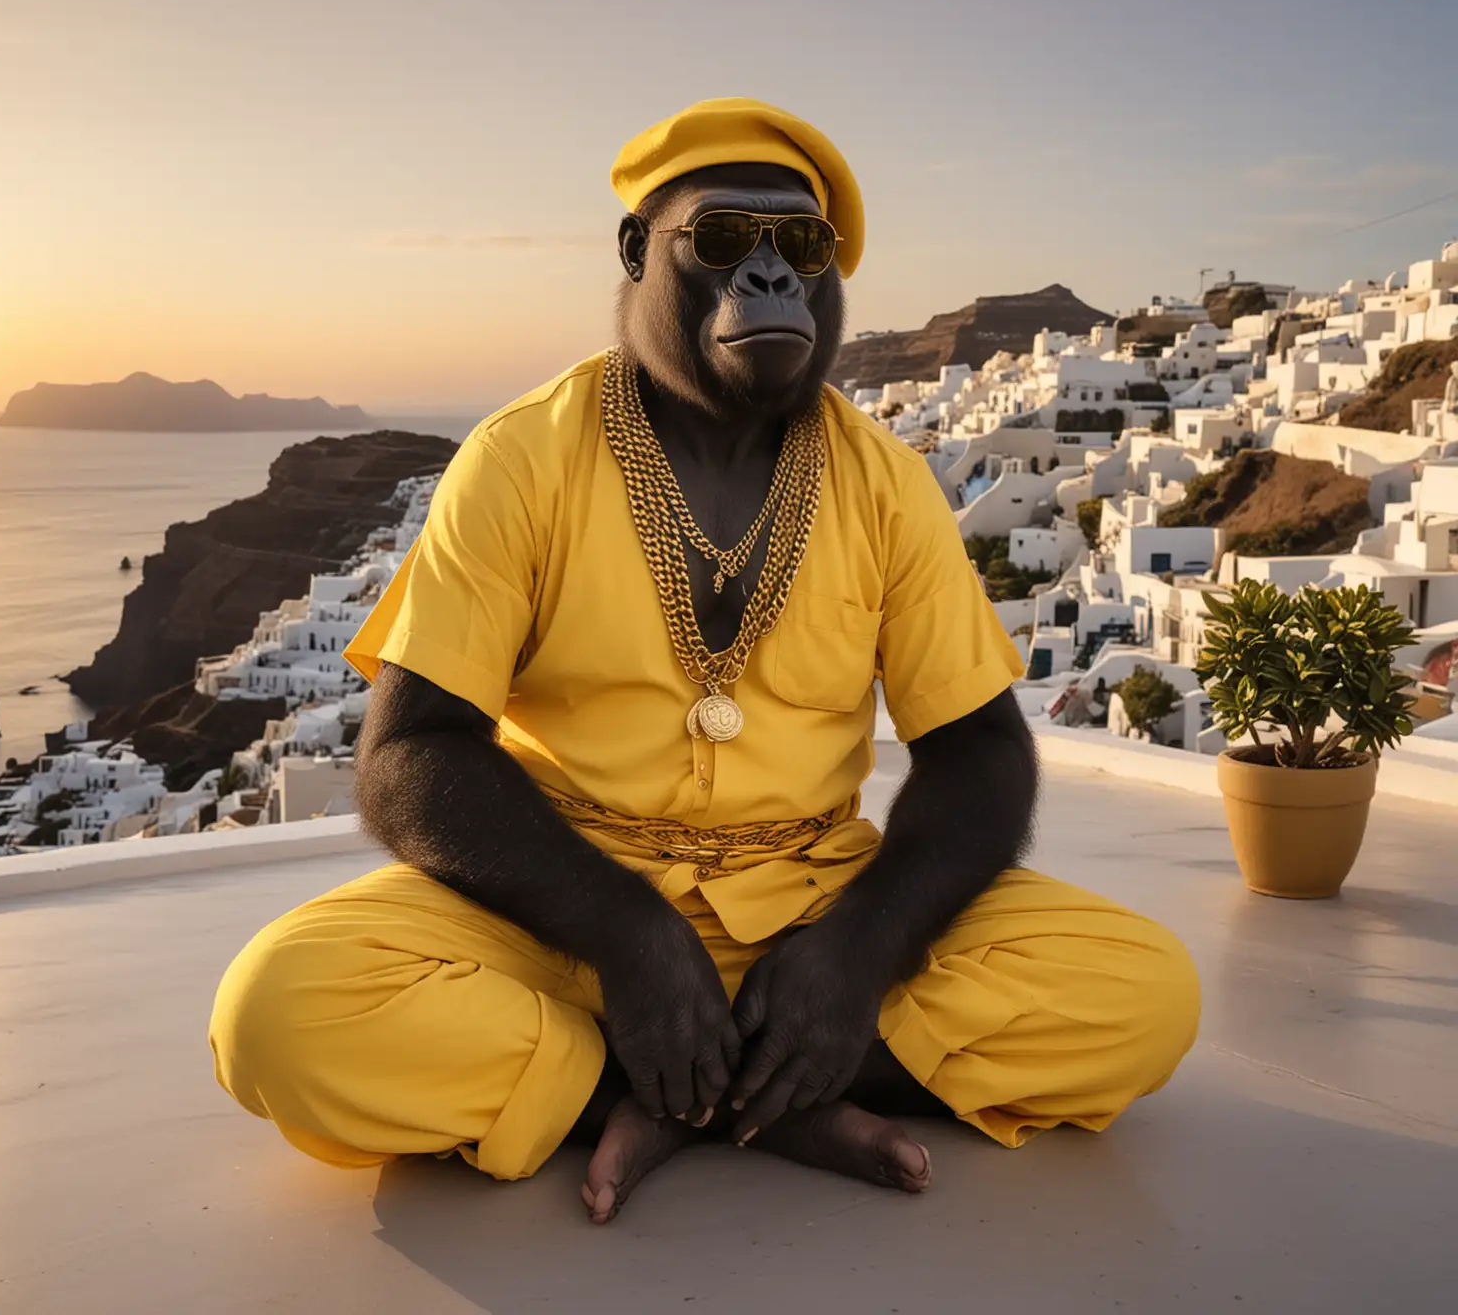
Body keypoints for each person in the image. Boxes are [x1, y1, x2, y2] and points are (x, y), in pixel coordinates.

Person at [209, 99, 1200, 1224]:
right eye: (723, 241)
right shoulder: (521, 457)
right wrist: (626, 936)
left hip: (813, 909)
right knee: (279, 1018)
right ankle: (769, 1089)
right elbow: (412, 756)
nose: (771, 275)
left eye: (802, 249)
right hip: (564, 912)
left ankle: (658, 1087)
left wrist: (860, 952)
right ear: (638, 254)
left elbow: (978, 752)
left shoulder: (886, 481)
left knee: (1144, 995)